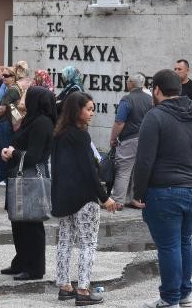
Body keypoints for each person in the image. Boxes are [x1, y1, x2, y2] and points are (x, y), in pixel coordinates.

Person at [133, 69, 192, 308]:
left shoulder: (154, 116)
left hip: (165, 191)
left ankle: (170, 298)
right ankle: (184, 293)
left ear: (156, 90)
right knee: (183, 241)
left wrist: (138, 193)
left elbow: (144, 160)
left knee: (169, 245)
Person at [52, 91, 115, 306]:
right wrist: (105, 198)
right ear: (76, 110)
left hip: (65, 196)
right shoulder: (81, 136)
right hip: (84, 198)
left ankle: (64, 285)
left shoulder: (59, 134)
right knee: (88, 244)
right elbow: (90, 171)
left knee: (65, 241)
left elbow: (57, 169)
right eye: (88, 109)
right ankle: (83, 290)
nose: (92, 114)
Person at [0, 87, 57, 281]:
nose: (24, 99)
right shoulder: (32, 119)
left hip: (31, 178)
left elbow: (35, 155)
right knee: (19, 221)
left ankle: (34, 268)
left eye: (27, 96)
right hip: (21, 176)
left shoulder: (42, 123)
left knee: (31, 223)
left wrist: (13, 153)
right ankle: (21, 262)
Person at [109, 73, 153, 210]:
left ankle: (118, 201)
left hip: (129, 139)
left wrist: (112, 138)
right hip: (146, 140)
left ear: (131, 84)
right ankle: (133, 198)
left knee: (123, 170)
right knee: (136, 170)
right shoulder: (150, 99)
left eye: (127, 81)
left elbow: (119, 122)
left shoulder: (127, 99)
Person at [0, 66, 21, 186]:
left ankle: (3, 178)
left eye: (6, 76)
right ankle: (2, 175)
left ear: (14, 77)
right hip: (9, 122)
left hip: (6, 122)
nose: (3, 78)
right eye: (2, 75)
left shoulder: (12, 90)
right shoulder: (14, 88)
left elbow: (2, 108)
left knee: (4, 148)